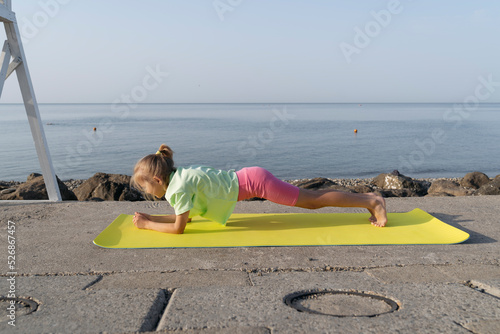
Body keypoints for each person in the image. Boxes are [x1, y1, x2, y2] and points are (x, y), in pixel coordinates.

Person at [131, 144, 387, 234]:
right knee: (313, 198)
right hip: (253, 177)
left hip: (257, 183)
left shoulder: (178, 188)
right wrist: (150, 216)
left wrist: (147, 225)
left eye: (145, 186)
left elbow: (179, 228)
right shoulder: (179, 178)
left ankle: (372, 201)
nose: (146, 191)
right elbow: (181, 217)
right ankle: (369, 199)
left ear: (157, 179)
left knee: (313, 200)